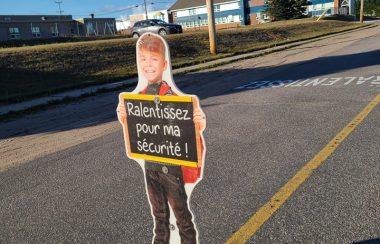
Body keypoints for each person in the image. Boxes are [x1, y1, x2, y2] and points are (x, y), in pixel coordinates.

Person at [116, 33, 205, 244]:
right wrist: (124, 117)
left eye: (153, 59)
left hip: (171, 169)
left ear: (164, 64)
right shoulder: (137, 100)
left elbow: (186, 135)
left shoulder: (173, 99)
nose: (148, 64)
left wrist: (196, 126)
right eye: (143, 59)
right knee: (159, 218)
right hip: (150, 166)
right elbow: (138, 131)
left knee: (182, 217)